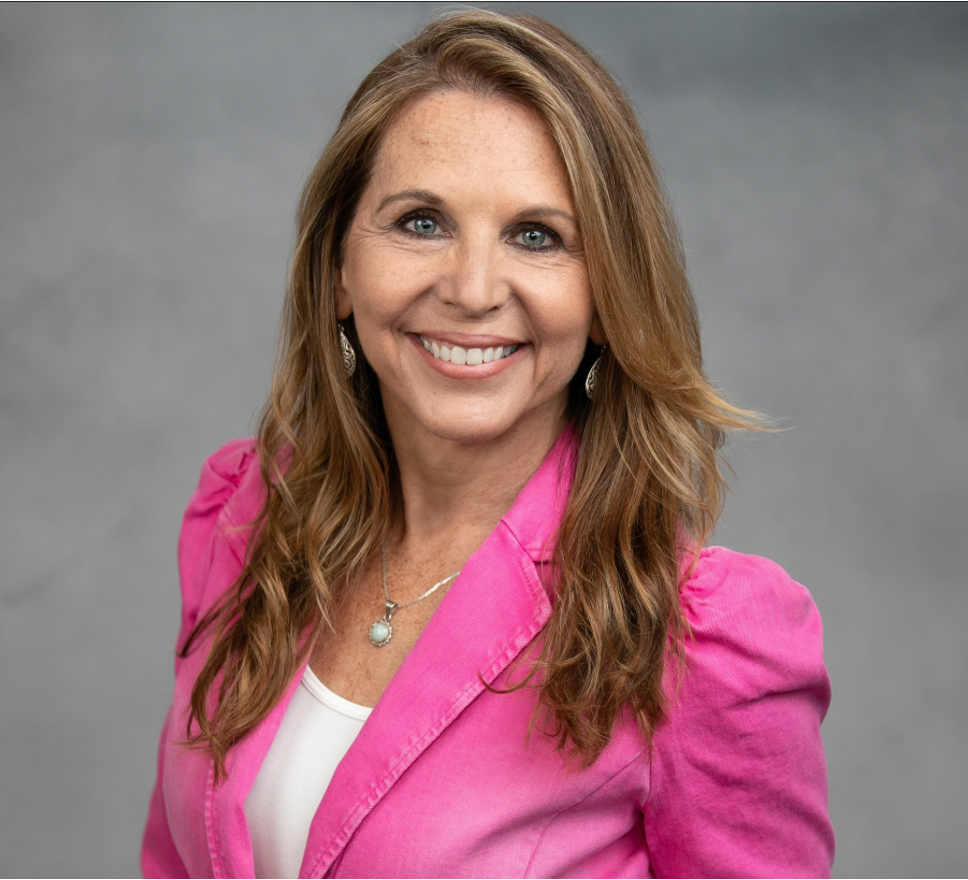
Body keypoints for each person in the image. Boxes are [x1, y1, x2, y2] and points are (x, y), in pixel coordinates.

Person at [140, 10, 833, 880]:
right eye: (421, 221)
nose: (471, 290)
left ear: (608, 296)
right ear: (339, 270)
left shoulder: (698, 637)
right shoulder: (243, 521)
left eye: (536, 236)